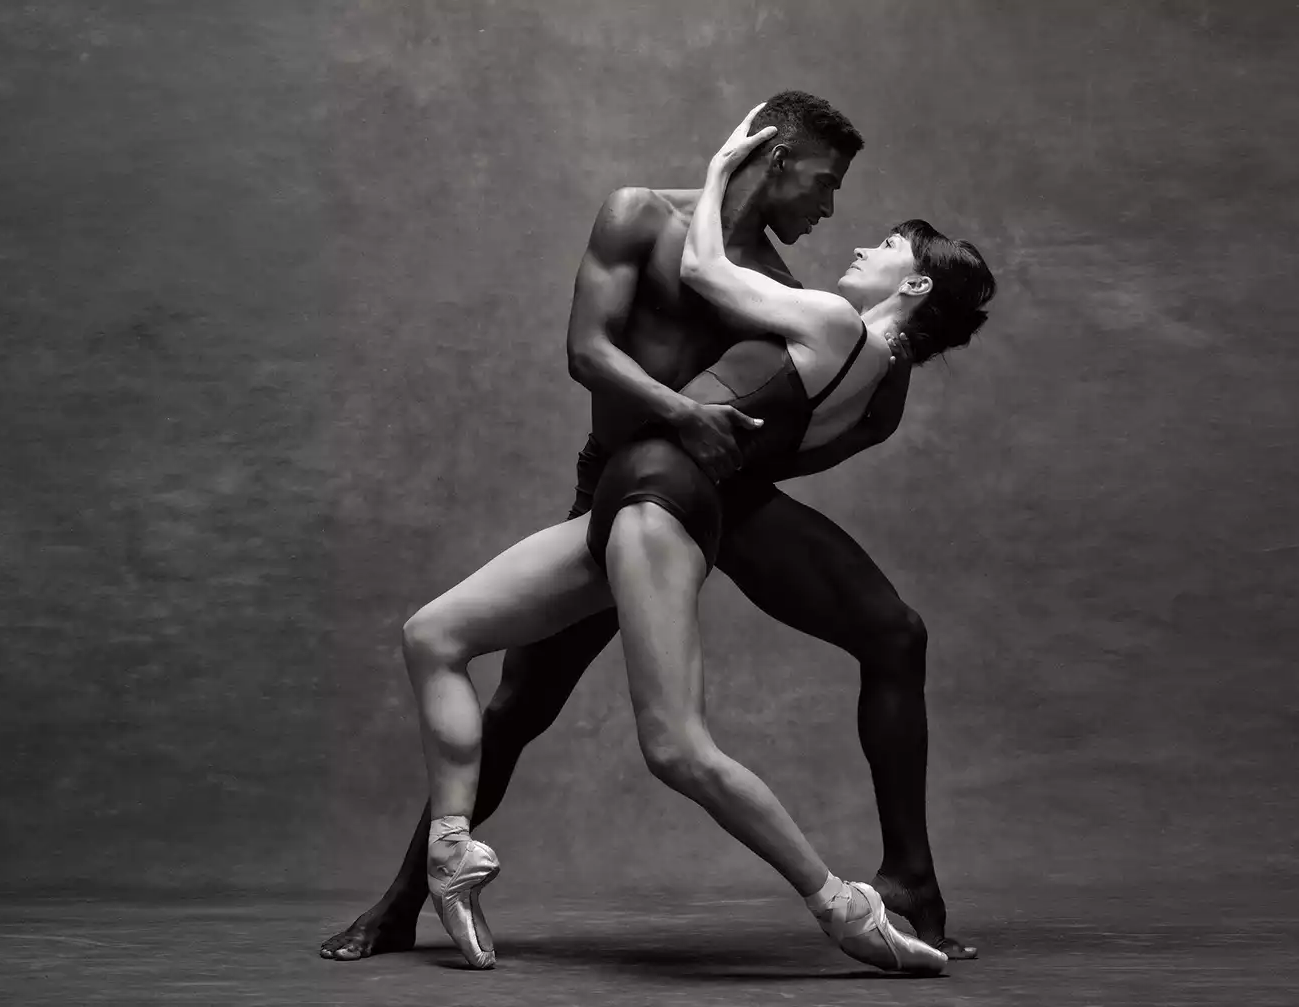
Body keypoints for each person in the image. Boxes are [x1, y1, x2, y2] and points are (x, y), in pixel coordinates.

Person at [322, 90, 989, 964]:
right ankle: (407, 896)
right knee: (519, 702)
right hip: (626, 477)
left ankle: (908, 886)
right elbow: (587, 352)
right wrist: (684, 415)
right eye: (824, 184)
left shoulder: (788, 292)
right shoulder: (642, 217)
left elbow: (802, 426)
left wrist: (861, 377)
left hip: (705, 489)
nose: (831, 212)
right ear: (776, 157)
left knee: (893, 634)